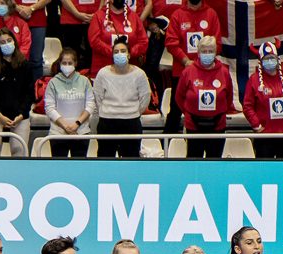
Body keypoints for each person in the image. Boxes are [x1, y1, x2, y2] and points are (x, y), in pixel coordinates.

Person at [163, 0, 223, 133]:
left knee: (207, 108)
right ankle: (165, 148)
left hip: (207, 73)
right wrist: (186, 62)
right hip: (181, 71)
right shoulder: (177, 15)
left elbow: (217, 44)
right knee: (175, 110)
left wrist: (201, 63)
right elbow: (171, 43)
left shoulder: (211, 14)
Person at [174, 34, 232, 158]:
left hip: (218, 125)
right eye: (204, 51)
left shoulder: (224, 72)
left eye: (210, 51)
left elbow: (229, 97)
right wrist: (189, 113)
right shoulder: (188, 72)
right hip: (193, 125)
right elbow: (179, 96)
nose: (207, 54)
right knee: (194, 163)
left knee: (215, 162)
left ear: (215, 53)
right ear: (198, 53)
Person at [243, 39, 283, 158]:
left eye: (272, 58)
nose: (270, 61)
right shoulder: (254, 80)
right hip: (265, 136)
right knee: (264, 173)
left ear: (277, 58)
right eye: (266, 59)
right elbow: (248, 106)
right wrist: (257, 126)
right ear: (260, 61)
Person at [92, 36, 149, 157]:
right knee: (105, 159)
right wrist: (107, 111)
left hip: (131, 122)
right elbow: (97, 97)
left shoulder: (139, 74)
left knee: (131, 159)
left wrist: (132, 112)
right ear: (112, 55)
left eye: (123, 51)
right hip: (107, 122)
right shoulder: (103, 73)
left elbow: (145, 97)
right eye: (116, 52)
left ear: (129, 55)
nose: (120, 54)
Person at [0, 27, 34, 156]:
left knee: (20, 154)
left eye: (9, 40)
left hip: (19, 116)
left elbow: (29, 94)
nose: (6, 44)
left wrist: (21, 115)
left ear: (15, 42)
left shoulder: (25, 65)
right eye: (2, 42)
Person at [43, 47, 94, 157]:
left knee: (79, 169)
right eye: (64, 63)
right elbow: (49, 108)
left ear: (75, 63)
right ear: (60, 64)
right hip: (58, 133)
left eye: (70, 63)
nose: (67, 66)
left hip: (81, 132)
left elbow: (90, 105)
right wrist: (65, 126)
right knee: (59, 170)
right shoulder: (53, 82)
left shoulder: (85, 81)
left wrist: (77, 124)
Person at [88, 0, 146, 73]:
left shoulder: (134, 17)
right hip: (103, 70)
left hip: (130, 71)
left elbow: (143, 42)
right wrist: (114, 52)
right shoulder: (98, 16)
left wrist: (128, 52)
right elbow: (94, 41)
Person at [14, 0, 50, 81]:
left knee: (36, 60)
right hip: (16, 18)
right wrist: (18, 8)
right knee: (15, 58)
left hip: (38, 20)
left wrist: (31, 8)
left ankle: (36, 89)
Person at [57, 0, 99, 68]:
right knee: (71, 57)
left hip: (95, 19)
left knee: (93, 56)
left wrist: (98, 14)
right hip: (71, 19)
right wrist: (77, 14)